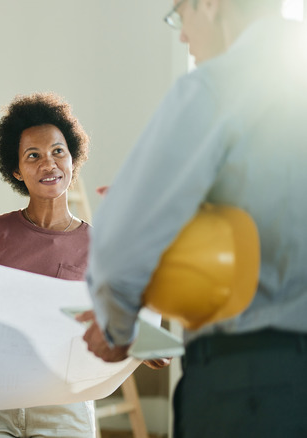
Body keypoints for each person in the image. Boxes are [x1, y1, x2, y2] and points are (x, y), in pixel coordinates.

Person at [80, 1, 307, 436]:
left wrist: (116, 326)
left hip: (252, 387)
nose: (182, 35)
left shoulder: (217, 87)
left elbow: (120, 244)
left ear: (209, 5)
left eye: (179, 15)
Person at [0, 92, 95, 437]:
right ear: (16, 170)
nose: (48, 164)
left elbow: (115, 321)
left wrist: (141, 347)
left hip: (64, 402)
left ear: (73, 159)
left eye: (58, 152)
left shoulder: (100, 247)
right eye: (33, 156)